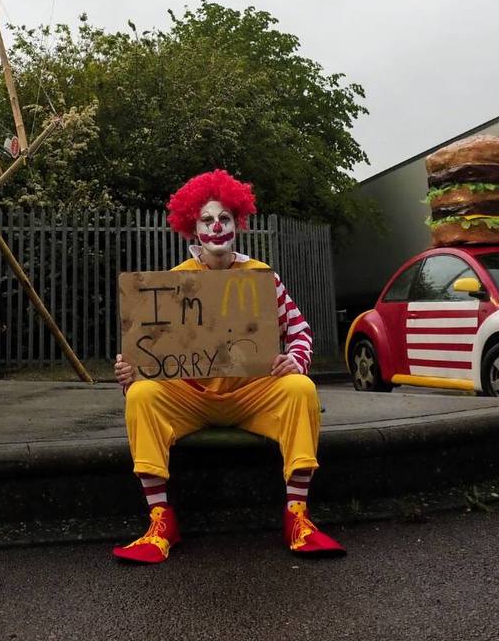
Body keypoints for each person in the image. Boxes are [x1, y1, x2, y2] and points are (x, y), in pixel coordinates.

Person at [111, 169, 345, 563]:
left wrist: (296, 359)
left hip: (251, 395)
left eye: (224, 219)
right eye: (206, 220)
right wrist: (131, 371)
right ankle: (160, 521)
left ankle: (297, 516)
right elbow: (150, 353)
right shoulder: (173, 281)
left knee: (301, 388)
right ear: (192, 228)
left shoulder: (262, 277)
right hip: (192, 399)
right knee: (141, 394)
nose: (216, 227)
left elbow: (300, 329)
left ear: (239, 222)